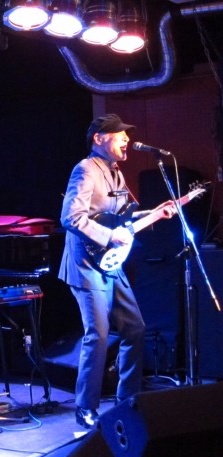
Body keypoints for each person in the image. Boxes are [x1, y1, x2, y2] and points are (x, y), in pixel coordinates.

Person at [59, 114, 175, 429]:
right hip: (86, 265)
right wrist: (109, 236)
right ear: (99, 138)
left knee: (135, 328)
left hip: (110, 262)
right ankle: (85, 407)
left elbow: (124, 216)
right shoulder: (85, 169)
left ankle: (128, 400)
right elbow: (71, 218)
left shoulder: (116, 173)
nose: (126, 140)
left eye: (127, 135)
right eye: (120, 135)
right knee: (97, 334)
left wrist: (155, 213)